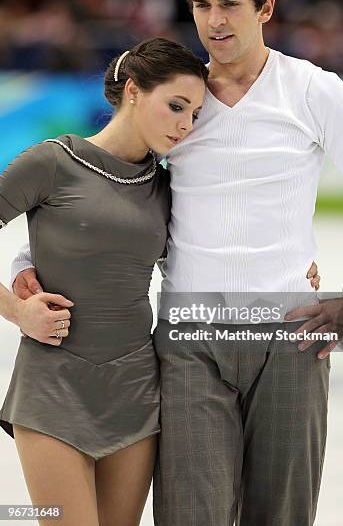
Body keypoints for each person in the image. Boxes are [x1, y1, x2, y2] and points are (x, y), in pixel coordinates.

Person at [11, 0, 343, 526]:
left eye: (230, 4)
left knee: (282, 513)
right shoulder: (180, 100)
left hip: (288, 332)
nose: (214, 22)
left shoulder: (314, 91)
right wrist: (24, 264)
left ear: (266, 7)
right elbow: (102, 196)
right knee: (191, 514)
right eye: (201, 6)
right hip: (190, 336)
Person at [0, 37, 208, 526]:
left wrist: (298, 267)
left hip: (135, 391)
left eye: (195, 114)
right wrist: (18, 310)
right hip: (52, 386)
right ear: (133, 90)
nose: (185, 125)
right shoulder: (50, 162)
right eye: (176, 106)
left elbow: (209, 255)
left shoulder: (166, 187)